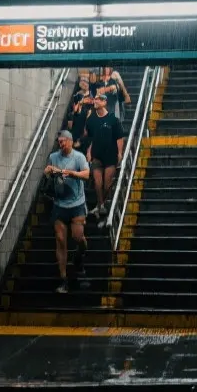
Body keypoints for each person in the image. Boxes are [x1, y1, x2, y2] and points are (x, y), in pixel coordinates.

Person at [44, 130, 91, 294]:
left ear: (70, 141)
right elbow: (48, 176)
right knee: (60, 239)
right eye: (59, 141)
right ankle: (63, 279)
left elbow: (86, 175)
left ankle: (79, 259)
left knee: (78, 237)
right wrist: (48, 172)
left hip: (77, 203)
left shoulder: (78, 157)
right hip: (59, 204)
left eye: (64, 141)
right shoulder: (53, 157)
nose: (61, 144)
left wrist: (71, 173)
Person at [85, 93, 125, 226]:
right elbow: (91, 138)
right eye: (95, 99)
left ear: (104, 102)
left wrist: (119, 153)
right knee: (97, 182)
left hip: (110, 156)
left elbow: (119, 138)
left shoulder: (113, 119)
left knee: (107, 184)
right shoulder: (91, 120)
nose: (95, 101)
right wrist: (89, 151)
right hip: (97, 156)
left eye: (98, 99)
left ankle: (102, 204)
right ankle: (101, 205)